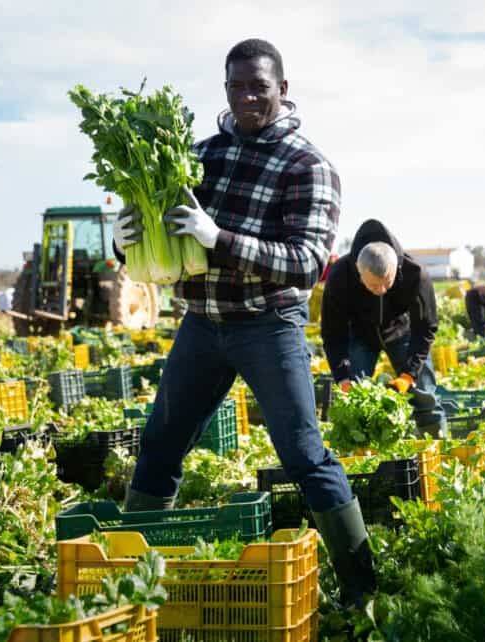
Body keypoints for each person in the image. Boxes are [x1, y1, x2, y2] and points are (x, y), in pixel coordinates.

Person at [110, 38, 374, 606]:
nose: (248, 96)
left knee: (304, 455)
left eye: (259, 85)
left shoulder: (309, 166)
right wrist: (123, 241)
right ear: (226, 89)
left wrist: (218, 239)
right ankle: (132, 580)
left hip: (268, 326)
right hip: (203, 325)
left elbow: (306, 264)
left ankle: (362, 588)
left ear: (283, 88)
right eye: (237, 85)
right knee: (159, 446)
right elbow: (162, 234)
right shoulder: (200, 153)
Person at [321, 219, 447, 438]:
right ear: (358, 274)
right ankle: (364, 457)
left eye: (387, 284)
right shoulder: (340, 276)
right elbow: (333, 333)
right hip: (359, 335)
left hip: (402, 332)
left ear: (395, 269)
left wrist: (409, 374)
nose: (380, 290)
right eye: (372, 286)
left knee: (425, 396)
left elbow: (425, 327)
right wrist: (342, 376)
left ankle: (437, 446)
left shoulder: (415, 273)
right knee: (355, 401)